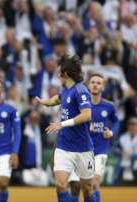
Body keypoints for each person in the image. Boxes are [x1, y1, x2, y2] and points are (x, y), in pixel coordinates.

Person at [36, 54, 96, 202]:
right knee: (60, 185)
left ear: (66, 74)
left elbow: (87, 115)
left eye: (59, 73)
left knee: (87, 189)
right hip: (64, 146)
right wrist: (44, 102)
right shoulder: (66, 90)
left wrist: (62, 124)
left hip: (83, 147)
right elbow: (56, 99)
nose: (57, 75)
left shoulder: (80, 90)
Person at [68, 73, 119, 202]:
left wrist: (111, 133)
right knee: (78, 186)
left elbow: (116, 122)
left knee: (93, 182)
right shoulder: (81, 106)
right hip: (82, 150)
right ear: (88, 85)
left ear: (103, 87)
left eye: (99, 83)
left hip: (100, 151)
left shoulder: (109, 106)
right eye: (93, 82)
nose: (95, 85)